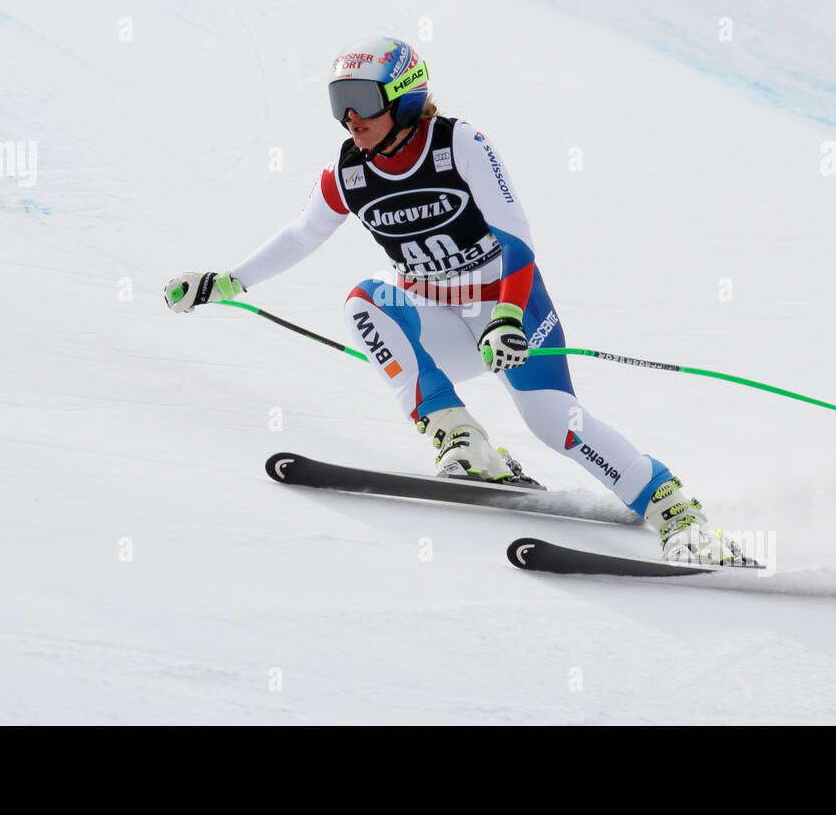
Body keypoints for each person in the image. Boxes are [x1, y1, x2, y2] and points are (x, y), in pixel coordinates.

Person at [165, 36, 749, 565]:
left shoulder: (459, 144)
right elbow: (301, 234)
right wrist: (227, 281)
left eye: (362, 100)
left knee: (557, 426)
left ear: (406, 98)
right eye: (338, 100)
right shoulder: (348, 171)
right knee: (365, 300)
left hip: (511, 313)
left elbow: (516, 237)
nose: (349, 117)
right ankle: (463, 442)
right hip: (439, 315)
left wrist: (507, 317)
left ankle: (680, 517)